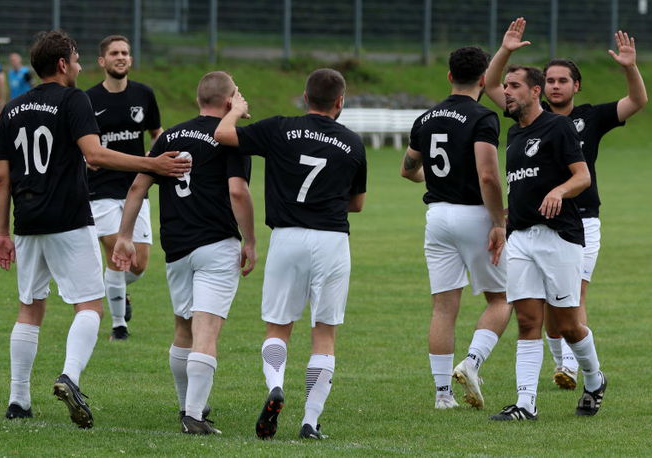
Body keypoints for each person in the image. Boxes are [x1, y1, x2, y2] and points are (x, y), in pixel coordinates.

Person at [0, 30, 190, 428]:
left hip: (26, 220)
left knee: (29, 309)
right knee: (90, 306)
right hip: (67, 216)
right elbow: (95, 155)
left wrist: (0, 233)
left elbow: (2, 178)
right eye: (77, 59)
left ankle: (18, 400)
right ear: (63, 64)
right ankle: (70, 376)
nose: (80, 66)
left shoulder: (11, 109)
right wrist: (152, 165)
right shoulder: (74, 99)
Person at [485, 18, 647, 391]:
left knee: (574, 298)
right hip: (530, 224)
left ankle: (573, 367)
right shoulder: (525, 116)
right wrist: (506, 50)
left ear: (576, 86)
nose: (557, 86)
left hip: (581, 220)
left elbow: (638, 101)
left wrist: (630, 67)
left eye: (563, 80)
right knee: (541, 311)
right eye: (551, 80)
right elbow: (493, 85)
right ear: (540, 88)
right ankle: (563, 366)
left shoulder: (588, 117)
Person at [214, 68, 367, 440]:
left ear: (305, 96)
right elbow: (357, 204)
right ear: (340, 102)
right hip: (331, 240)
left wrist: (235, 108)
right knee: (324, 334)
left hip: (286, 237)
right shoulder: (353, 142)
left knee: (278, 327)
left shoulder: (280, 127)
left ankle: (275, 387)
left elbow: (222, 134)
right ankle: (311, 422)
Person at [113, 71, 256, 436]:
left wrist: (125, 235)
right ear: (229, 102)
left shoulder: (170, 136)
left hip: (176, 246)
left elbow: (137, 187)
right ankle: (194, 416)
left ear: (198, 101)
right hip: (216, 242)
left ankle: (186, 406)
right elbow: (238, 193)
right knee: (206, 330)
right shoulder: (231, 139)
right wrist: (251, 240)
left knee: (183, 327)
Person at [482, 39, 606, 420]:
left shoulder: (559, 127)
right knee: (528, 321)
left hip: (560, 237)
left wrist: (559, 190)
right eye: (505, 88)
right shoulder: (516, 133)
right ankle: (525, 404)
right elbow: (520, 184)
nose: (506, 92)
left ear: (535, 91)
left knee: (568, 325)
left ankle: (594, 378)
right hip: (522, 237)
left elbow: (582, 176)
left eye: (514, 86)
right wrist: (501, 224)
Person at [400, 46, 511, 410]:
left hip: (437, 218)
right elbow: (488, 175)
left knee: (443, 308)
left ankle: (442, 395)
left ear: (449, 76)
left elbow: (408, 168)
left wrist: (429, 178)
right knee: (502, 298)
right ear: (483, 79)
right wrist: (498, 220)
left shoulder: (426, 118)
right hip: (474, 214)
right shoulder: (484, 117)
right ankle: (473, 362)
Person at [86, 35, 163, 341]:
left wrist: (154, 156)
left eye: (125, 53)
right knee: (116, 254)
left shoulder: (144, 94)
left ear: (130, 60)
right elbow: (76, 141)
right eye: (114, 53)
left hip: (136, 188)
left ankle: (118, 292)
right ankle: (119, 325)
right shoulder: (88, 99)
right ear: (102, 61)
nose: (121, 57)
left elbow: (158, 133)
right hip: (100, 189)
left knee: (138, 264)